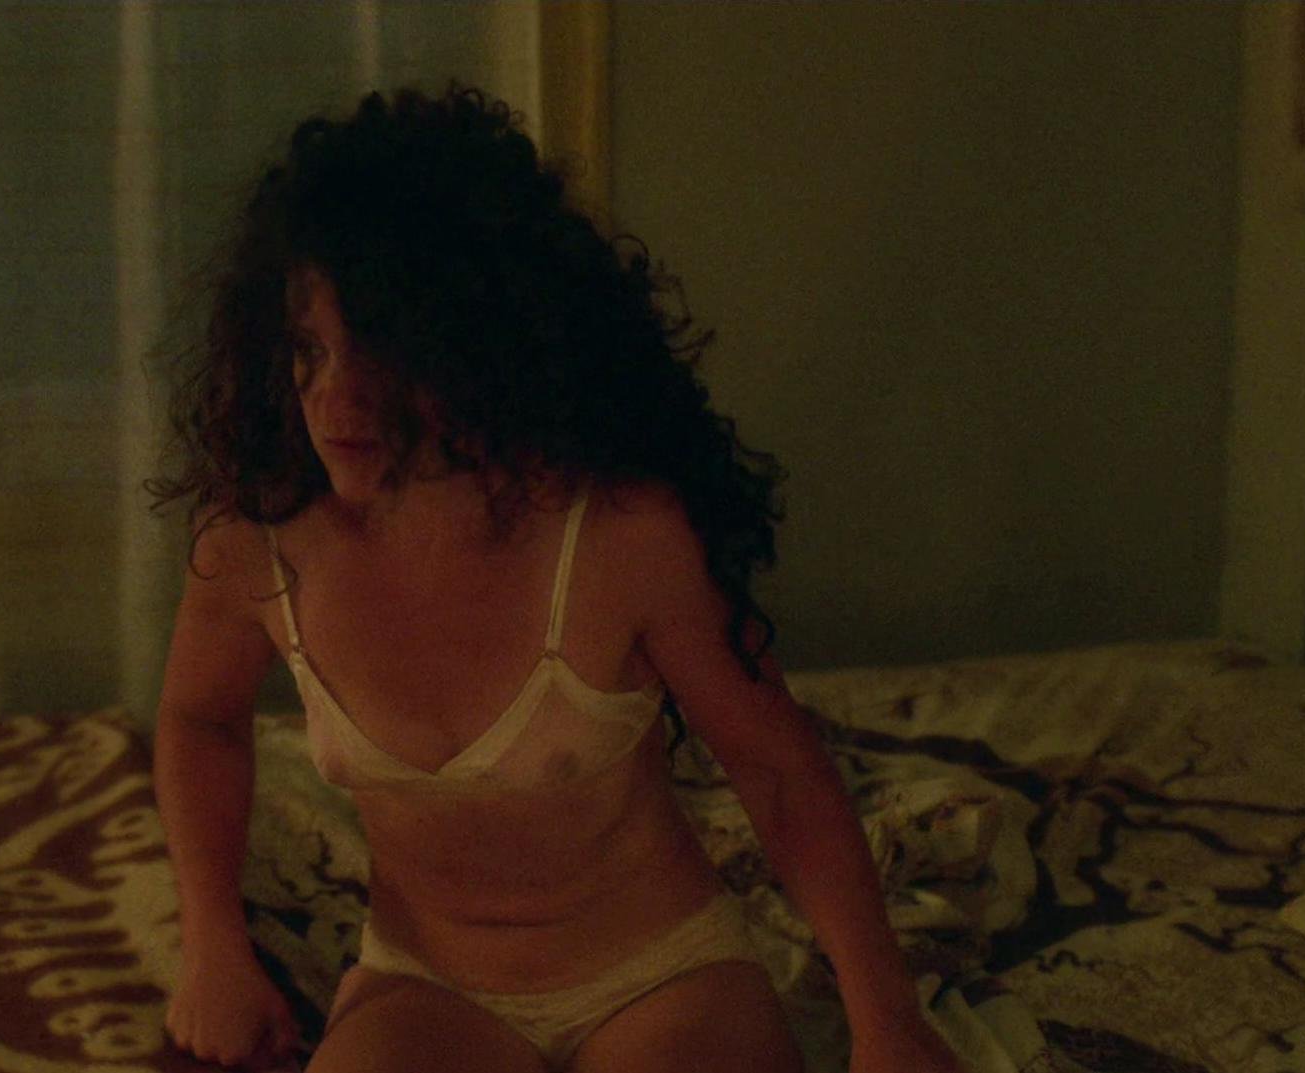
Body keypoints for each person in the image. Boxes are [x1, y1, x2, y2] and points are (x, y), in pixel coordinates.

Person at [146, 80, 965, 1073]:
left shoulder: (619, 535)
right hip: (427, 985)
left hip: (661, 979)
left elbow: (780, 770)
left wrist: (887, 1019)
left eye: (381, 349)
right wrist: (213, 947)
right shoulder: (261, 541)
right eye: (309, 351)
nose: (335, 397)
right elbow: (198, 717)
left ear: (476, 338)